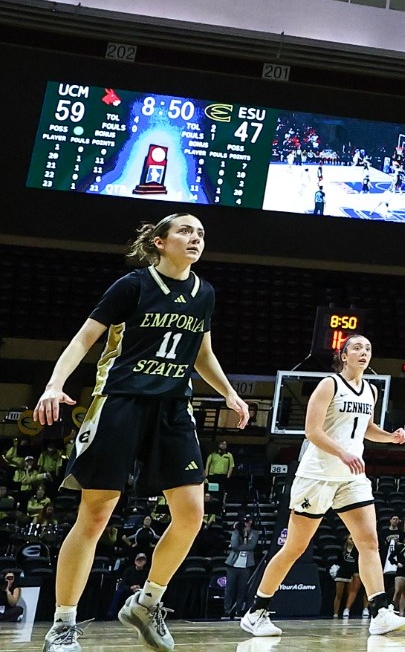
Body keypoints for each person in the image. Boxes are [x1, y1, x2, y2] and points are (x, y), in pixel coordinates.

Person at [35, 214, 250, 652]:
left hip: (173, 407)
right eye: (186, 231)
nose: (195, 239)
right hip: (121, 400)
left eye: (201, 234)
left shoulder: (204, 292)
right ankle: (63, 624)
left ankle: (147, 602)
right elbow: (83, 340)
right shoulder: (132, 286)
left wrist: (229, 392)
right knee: (95, 515)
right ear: (160, 242)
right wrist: (55, 384)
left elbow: (201, 353)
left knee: (191, 513)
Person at [241, 334, 405, 636]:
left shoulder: (371, 390)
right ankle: (256, 612)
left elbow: (366, 429)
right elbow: (312, 431)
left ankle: (380, 612)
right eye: (357, 348)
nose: (364, 352)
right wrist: (343, 452)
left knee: (369, 542)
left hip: (351, 476)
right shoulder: (329, 385)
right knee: (294, 548)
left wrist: (390, 436)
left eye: (368, 348)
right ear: (344, 356)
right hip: (317, 475)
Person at [222, 517, 261, 619]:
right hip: (233, 565)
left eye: (248, 521)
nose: (246, 524)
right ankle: (227, 610)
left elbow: (251, 546)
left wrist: (244, 540)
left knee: (242, 590)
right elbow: (234, 545)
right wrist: (239, 532)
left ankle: (238, 611)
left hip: (246, 566)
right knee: (229, 589)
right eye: (244, 522)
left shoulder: (254, 533)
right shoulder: (236, 532)